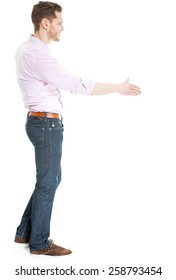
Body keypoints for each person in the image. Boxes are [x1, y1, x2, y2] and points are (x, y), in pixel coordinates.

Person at [14, 1, 141, 257]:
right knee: (48, 182)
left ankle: (24, 231)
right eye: (59, 22)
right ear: (45, 23)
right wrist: (117, 88)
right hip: (46, 124)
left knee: (50, 180)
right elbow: (75, 84)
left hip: (42, 122)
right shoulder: (36, 54)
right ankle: (38, 243)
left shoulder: (28, 49)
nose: (63, 27)